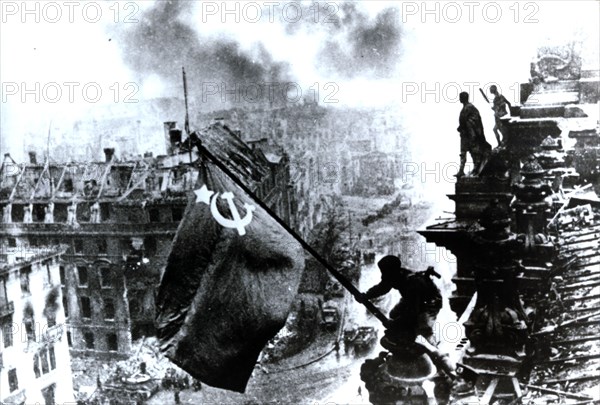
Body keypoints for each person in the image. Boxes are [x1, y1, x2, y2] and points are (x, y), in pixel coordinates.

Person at [456, 92, 492, 177]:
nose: (459, 99)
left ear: (464, 98)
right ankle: (461, 170)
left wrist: (465, 127)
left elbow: (472, 120)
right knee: (463, 152)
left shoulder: (469, 107)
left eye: (461, 97)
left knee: (473, 151)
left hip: (471, 134)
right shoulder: (466, 107)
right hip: (465, 133)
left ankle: (476, 169)